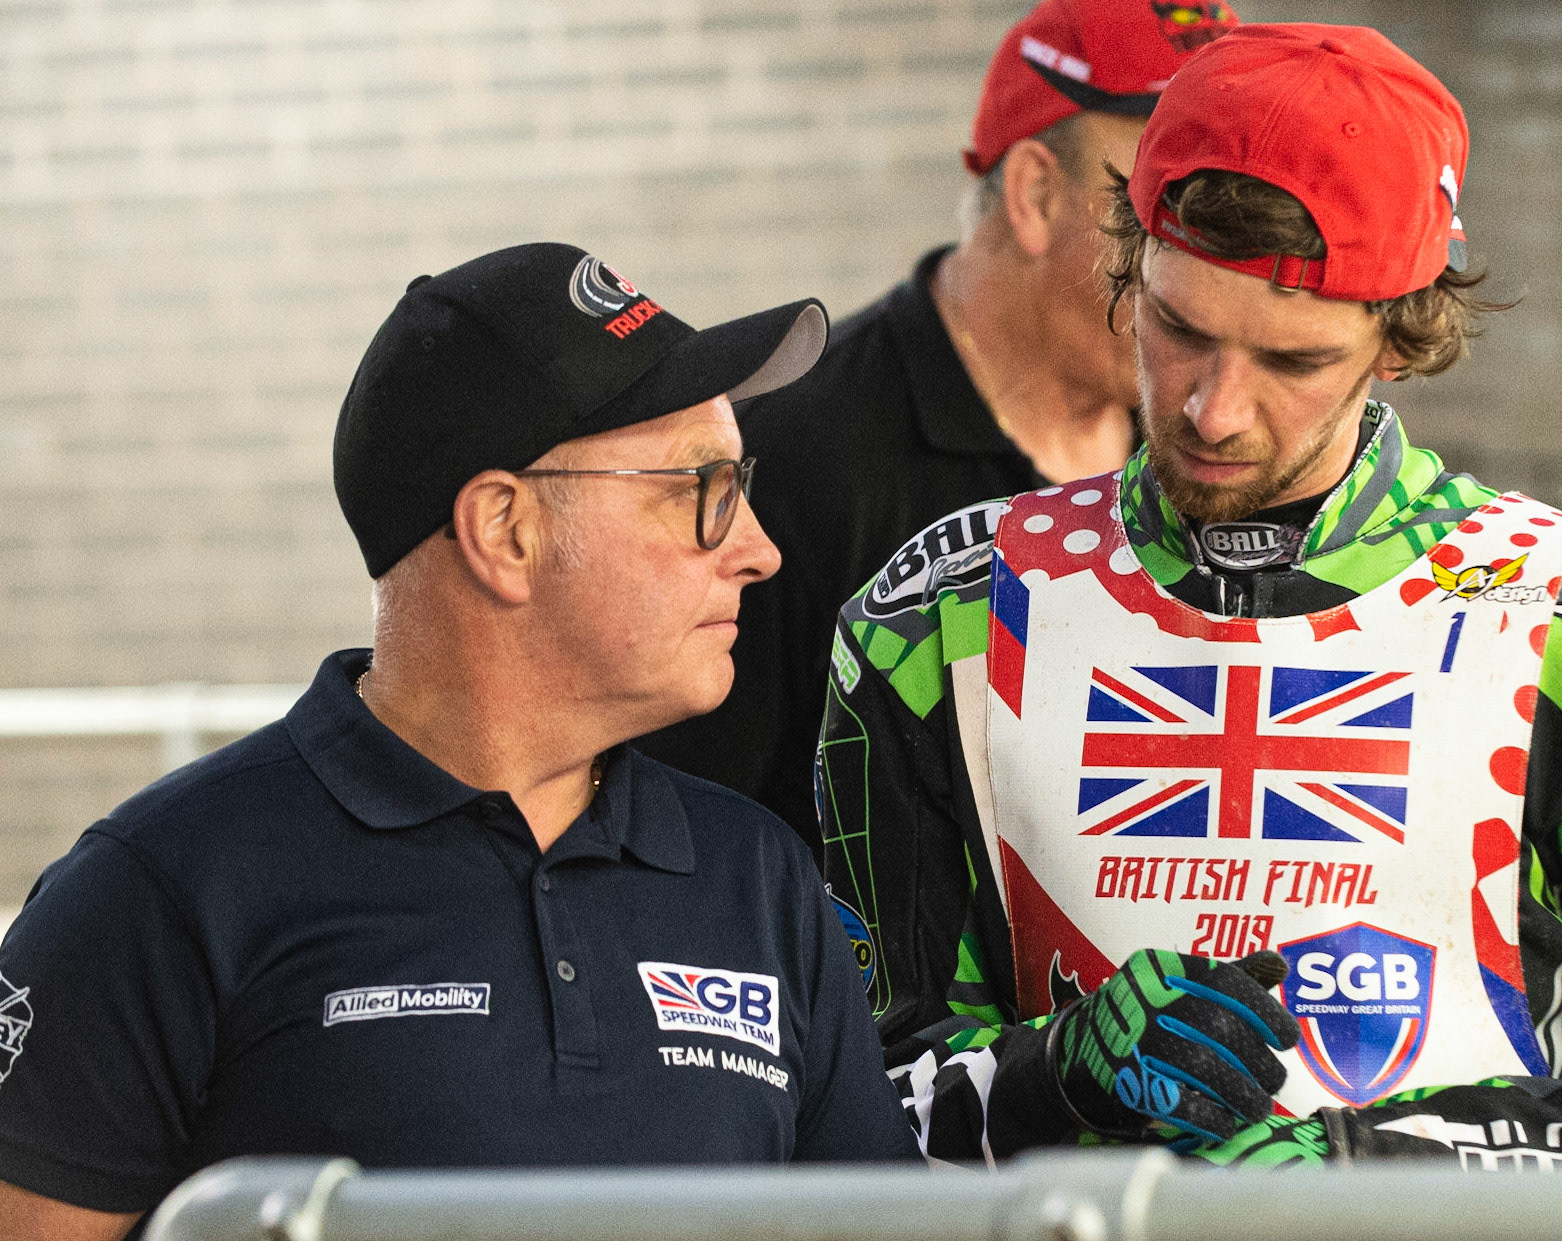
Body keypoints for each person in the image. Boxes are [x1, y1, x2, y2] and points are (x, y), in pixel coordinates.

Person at [818, 25, 1562, 1168]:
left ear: (1398, 337)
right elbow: (837, 1109)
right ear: (1128, 263)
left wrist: (1371, 1168)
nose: (1212, 409)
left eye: (1291, 361)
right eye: (1179, 327)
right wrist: (1053, 1075)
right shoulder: (938, 619)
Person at [0, 242, 917, 1240]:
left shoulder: (762, 878)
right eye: (701, 487)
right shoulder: (161, 890)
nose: (759, 548)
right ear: (505, 529)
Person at [635, 0, 1241, 846]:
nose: (1204, 263)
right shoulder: (796, 452)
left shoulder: (1213, 438)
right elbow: (679, 833)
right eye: (1164, 205)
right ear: (1034, 194)